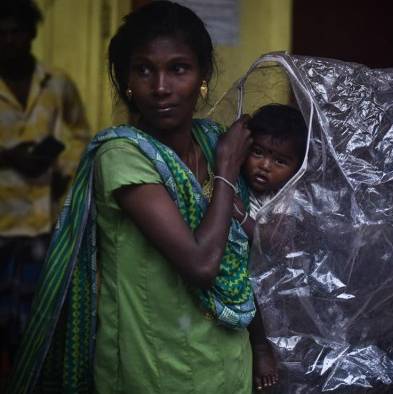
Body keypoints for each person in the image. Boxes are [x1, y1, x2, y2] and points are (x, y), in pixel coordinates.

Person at [7, 2, 276, 393]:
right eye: (144, 69)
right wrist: (226, 171)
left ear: (202, 76)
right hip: (153, 367)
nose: (161, 86)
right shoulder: (122, 156)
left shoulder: (214, 141)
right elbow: (201, 264)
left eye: (178, 69)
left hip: (227, 360)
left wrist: (260, 343)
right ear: (126, 80)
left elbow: (246, 256)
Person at [0, 0, 90, 385]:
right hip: (2, 218)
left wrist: (61, 170)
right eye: (0, 33)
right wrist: (8, 156)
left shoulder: (56, 82)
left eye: (16, 31)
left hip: (43, 217)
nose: (8, 40)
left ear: (32, 32)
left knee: (38, 318)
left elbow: (80, 131)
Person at [232, 103, 307, 238]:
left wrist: (242, 217)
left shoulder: (287, 200)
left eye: (279, 161)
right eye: (258, 152)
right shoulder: (234, 178)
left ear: (297, 169)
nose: (265, 166)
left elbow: (275, 239)